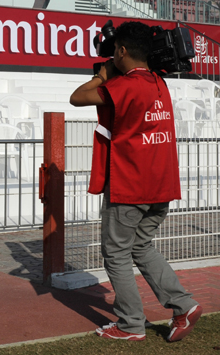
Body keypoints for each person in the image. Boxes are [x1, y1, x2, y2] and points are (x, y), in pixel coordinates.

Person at [70, 21, 202, 342]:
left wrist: (103, 73)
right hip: (161, 185)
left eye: (115, 50)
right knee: (141, 247)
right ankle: (183, 305)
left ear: (123, 51)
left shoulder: (123, 86)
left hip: (131, 186)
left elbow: (77, 97)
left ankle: (130, 324)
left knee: (115, 253)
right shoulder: (159, 82)